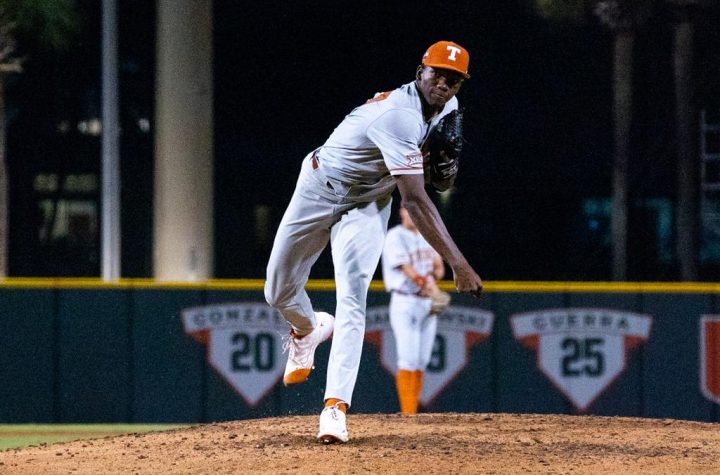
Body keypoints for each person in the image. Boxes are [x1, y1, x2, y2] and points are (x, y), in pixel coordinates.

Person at [264, 40, 483, 444]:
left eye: (454, 79)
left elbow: (437, 179)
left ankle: (334, 409)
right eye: (438, 73)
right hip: (319, 186)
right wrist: (459, 263)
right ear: (421, 70)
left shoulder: (448, 109)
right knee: (276, 291)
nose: (444, 84)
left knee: (353, 297)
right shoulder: (399, 115)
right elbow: (416, 200)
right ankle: (308, 329)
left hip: (366, 203)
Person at [382, 206, 445, 415]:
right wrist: (429, 286)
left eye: (415, 211)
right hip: (404, 301)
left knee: (421, 360)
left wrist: (433, 282)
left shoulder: (428, 235)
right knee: (408, 358)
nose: (411, 214)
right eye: (408, 210)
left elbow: (439, 268)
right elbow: (406, 269)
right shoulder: (395, 236)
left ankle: (413, 412)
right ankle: (407, 413)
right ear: (402, 212)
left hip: (426, 303)